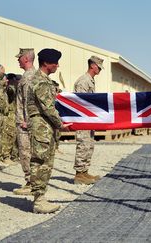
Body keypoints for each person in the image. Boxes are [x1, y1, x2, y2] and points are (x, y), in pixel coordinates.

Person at [26, 48, 71, 213]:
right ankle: (38, 201)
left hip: (45, 126)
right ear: (46, 63)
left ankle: (41, 197)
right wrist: (61, 124)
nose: (57, 66)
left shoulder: (46, 81)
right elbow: (48, 108)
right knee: (41, 161)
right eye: (55, 63)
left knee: (46, 162)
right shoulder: (41, 82)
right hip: (41, 126)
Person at [73, 56, 104, 184]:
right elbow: (80, 102)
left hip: (89, 119)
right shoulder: (83, 81)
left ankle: (84, 171)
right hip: (83, 119)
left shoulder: (90, 80)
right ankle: (79, 174)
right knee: (83, 145)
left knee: (89, 145)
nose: (100, 70)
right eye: (99, 67)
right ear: (92, 65)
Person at [13, 48, 36, 195]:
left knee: (26, 152)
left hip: (25, 123)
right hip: (28, 121)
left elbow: (28, 101)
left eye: (19, 57)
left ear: (26, 59)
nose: (17, 60)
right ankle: (33, 181)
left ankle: (31, 183)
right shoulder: (32, 75)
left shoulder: (28, 77)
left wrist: (25, 121)